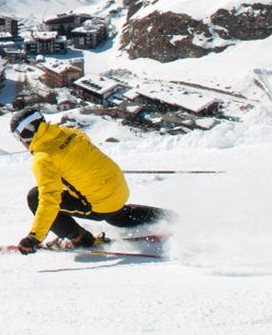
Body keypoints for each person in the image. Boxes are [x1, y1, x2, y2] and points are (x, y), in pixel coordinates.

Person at [11, 108, 168, 254]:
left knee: (35, 197)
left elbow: (49, 200)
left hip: (100, 204)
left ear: (25, 135)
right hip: (118, 188)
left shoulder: (43, 158)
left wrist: (34, 237)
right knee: (116, 214)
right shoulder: (70, 132)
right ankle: (171, 218)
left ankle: (81, 240)